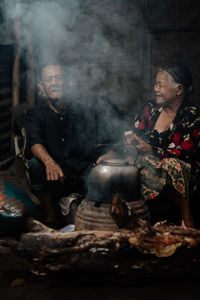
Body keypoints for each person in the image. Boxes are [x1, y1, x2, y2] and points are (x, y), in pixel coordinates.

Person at [25, 63, 117, 224]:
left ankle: (89, 212)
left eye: (59, 78)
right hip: (53, 174)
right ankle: (50, 214)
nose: (54, 82)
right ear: (42, 86)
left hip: (79, 171)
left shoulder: (82, 110)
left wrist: (107, 154)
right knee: (35, 165)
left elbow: (99, 141)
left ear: (67, 83)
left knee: (102, 173)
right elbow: (34, 142)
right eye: (48, 79)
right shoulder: (36, 113)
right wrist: (49, 162)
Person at [125, 62, 200, 228]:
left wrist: (151, 150)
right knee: (132, 165)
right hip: (147, 164)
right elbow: (135, 134)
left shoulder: (192, 116)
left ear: (179, 89)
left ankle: (186, 216)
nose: (155, 88)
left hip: (181, 168)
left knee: (172, 165)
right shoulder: (149, 109)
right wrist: (131, 145)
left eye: (161, 84)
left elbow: (185, 153)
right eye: (155, 83)